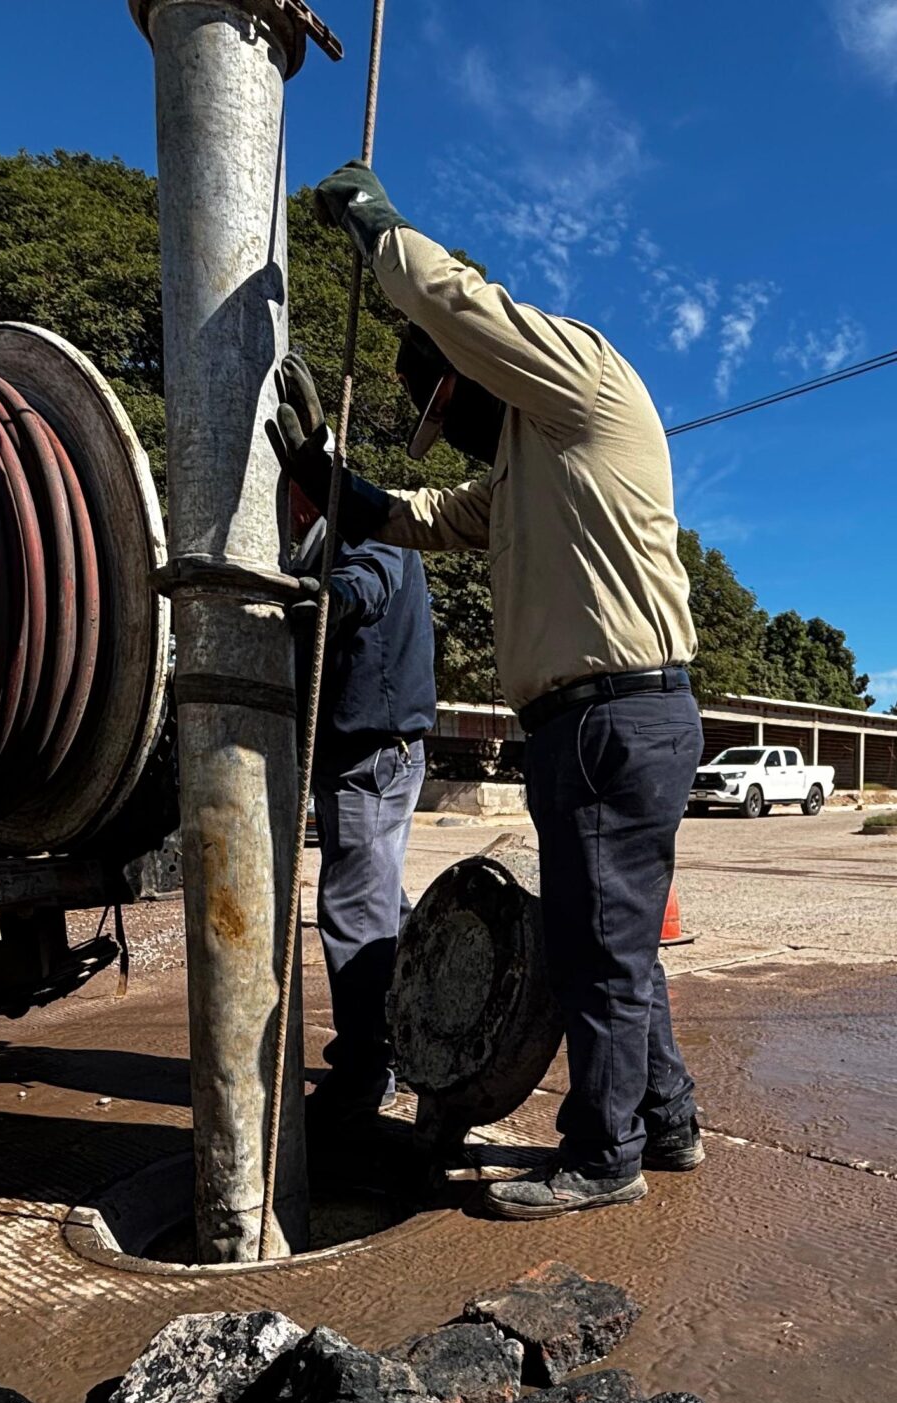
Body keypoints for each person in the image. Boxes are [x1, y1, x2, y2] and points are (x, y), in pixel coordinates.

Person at [270, 159, 703, 1220]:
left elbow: (453, 301)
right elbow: (418, 517)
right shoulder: (523, 474)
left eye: (445, 409)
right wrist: (330, 480)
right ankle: (667, 1121)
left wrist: (376, 225)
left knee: (596, 947)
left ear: (466, 379)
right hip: (584, 725)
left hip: (613, 714)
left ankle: (605, 1155)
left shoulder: (580, 386)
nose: (449, 436)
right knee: (610, 939)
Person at [291, 507, 436, 1158]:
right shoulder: (337, 533)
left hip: (367, 755)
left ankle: (362, 1076)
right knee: (382, 906)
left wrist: (325, 596)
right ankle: (421, 1045)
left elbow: (367, 580)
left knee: (353, 911)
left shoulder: (368, 530)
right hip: (375, 753)